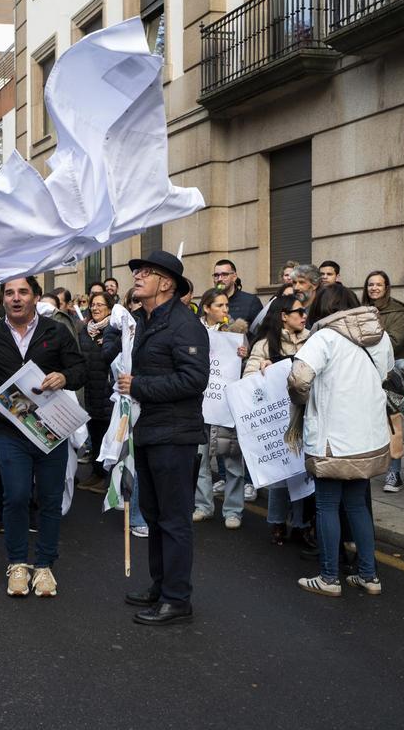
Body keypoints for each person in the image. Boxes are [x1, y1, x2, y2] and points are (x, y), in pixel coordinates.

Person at [0, 276, 85, 598]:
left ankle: (46, 565)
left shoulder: (56, 332)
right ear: (1, 299)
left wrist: (64, 376)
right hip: (10, 431)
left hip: (51, 429)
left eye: (23, 292)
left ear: (36, 297)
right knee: (17, 495)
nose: (16, 298)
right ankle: (18, 564)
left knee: (49, 499)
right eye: (9, 293)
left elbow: (79, 369)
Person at [117, 251, 209, 626]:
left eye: (146, 273)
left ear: (167, 283)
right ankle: (161, 585)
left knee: (174, 520)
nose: (137, 277)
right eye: (137, 272)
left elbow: (194, 380)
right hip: (150, 431)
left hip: (175, 434)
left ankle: (177, 599)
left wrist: (140, 386)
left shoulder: (184, 325)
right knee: (154, 516)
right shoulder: (142, 321)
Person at [288, 284, 393, 598]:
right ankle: (368, 574)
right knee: (357, 505)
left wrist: (302, 400)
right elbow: (386, 375)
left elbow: (299, 378)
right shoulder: (381, 336)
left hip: (332, 437)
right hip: (368, 435)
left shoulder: (323, 338)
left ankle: (329, 577)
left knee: (326, 505)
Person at [244, 294, 312, 547]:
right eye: (299, 311)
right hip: (277, 420)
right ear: (284, 315)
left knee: (302, 473)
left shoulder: (312, 341)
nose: (304, 316)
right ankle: (276, 522)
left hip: (303, 416)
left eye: (305, 311)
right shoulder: (264, 343)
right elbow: (248, 377)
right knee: (280, 475)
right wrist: (261, 368)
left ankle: (302, 524)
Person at [191, 288, 249, 529]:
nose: (225, 310)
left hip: (226, 406)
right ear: (206, 308)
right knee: (200, 458)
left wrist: (244, 355)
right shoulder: (193, 331)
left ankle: (233, 510)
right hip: (200, 404)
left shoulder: (236, 333)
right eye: (220, 306)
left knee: (232, 459)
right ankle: (203, 505)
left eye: (227, 305)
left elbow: (245, 369)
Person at [361, 270, 404, 493]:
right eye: (370, 284)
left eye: (379, 284)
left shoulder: (397, 310)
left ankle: (394, 473)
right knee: (367, 422)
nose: (374, 288)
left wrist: (368, 336)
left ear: (387, 287)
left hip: (390, 372)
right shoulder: (359, 310)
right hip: (363, 371)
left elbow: (396, 341)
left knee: (393, 423)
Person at [75, 291, 115, 495]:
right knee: (96, 436)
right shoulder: (84, 331)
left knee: (109, 437)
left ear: (110, 307)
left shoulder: (114, 329)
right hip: (90, 391)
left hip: (108, 392)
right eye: (93, 304)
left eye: (100, 304)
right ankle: (96, 473)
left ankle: (108, 478)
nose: (95, 308)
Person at [211, 259, 262, 325]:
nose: (220, 279)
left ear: (234, 277)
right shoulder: (208, 301)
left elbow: (260, 332)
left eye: (224, 275)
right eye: (216, 275)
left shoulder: (251, 302)